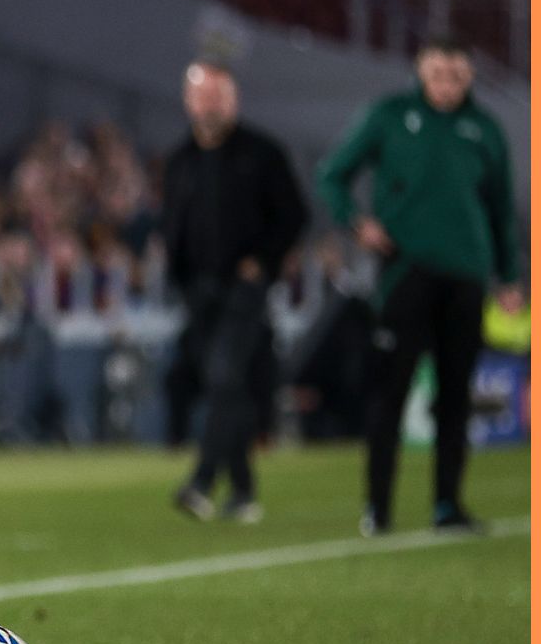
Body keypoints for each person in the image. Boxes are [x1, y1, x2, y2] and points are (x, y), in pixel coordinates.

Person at [317, 37, 523, 536]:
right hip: (405, 271)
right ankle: (377, 507)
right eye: (437, 74)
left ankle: (447, 505)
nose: (446, 85)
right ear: (419, 71)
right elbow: (333, 175)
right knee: (390, 391)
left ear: (469, 76)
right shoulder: (388, 116)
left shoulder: (486, 130)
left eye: (455, 75)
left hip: (467, 275)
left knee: (455, 396)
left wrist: (510, 276)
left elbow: (502, 210)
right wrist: (356, 222)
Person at [160, 61, 307, 523]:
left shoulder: (262, 153)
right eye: (203, 96)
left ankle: (202, 481)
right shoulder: (180, 160)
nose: (211, 105)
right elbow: (174, 225)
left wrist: (261, 262)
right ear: (188, 101)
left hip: (244, 291)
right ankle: (243, 491)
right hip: (197, 291)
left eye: (219, 96)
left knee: (224, 376)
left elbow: (294, 216)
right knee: (227, 388)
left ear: (234, 101)